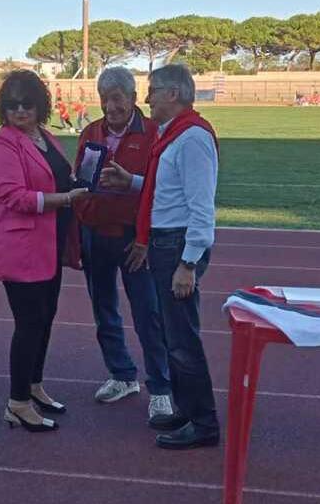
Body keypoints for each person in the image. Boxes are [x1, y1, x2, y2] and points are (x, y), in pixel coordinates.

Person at [99, 64, 220, 450]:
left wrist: (188, 264)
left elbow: (202, 207)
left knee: (182, 339)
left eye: (151, 90)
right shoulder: (174, 135)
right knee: (173, 336)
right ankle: (187, 410)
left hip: (177, 246)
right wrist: (131, 182)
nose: (146, 98)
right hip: (167, 242)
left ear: (173, 94)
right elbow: (165, 191)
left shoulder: (193, 137)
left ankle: (203, 423)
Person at [0, 69, 87, 433]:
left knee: (45, 319)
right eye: (12, 105)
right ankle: (17, 402)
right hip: (21, 247)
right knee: (28, 324)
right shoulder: (3, 144)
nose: (20, 111)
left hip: (50, 243)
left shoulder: (45, 137)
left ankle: (33, 385)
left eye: (27, 103)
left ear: (40, 104)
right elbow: (12, 195)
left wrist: (82, 181)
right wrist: (62, 199)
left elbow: (60, 175)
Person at [72, 67, 173, 423]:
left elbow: (165, 190)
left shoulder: (153, 134)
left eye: (117, 98)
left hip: (135, 239)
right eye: (104, 98)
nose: (110, 106)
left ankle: (161, 388)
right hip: (96, 235)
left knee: (149, 315)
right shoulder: (90, 132)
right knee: (104, 311)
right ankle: (121, 375)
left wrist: (144, 237)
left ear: (133, 98)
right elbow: (80, 179)